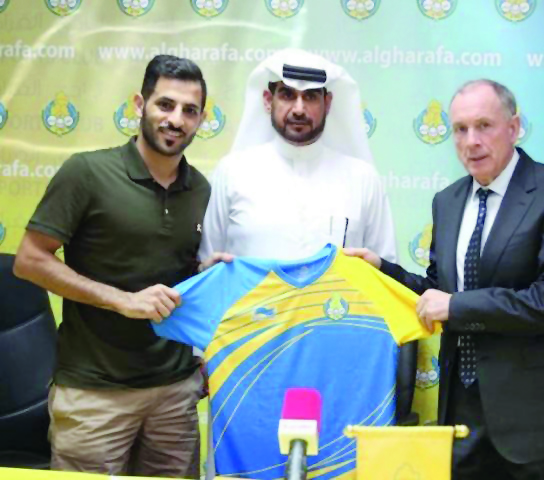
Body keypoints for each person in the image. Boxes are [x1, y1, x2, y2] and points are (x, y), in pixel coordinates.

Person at [346, 79, 544, 479]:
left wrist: (457, 306)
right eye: (460, 129)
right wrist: (383, 269)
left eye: (484, 126)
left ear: (513, 127)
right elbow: (439, 291)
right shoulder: (448, 201)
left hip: (534, 426)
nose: (471, 141)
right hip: (460, 417)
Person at [13, 55, 213, 478]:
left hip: (175, 393)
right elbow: (30, 261)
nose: (176, 119)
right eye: (165, 104)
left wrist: (209, 272)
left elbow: (175, 272)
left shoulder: (200, 189)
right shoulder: (87, 172)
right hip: (94, 393)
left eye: (189, 110)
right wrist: (122, 300)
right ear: (140, 104)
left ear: (201, 120)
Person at [199, 49, 397, 263]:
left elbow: (385, 269)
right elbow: (209, 265)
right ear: (268, 100)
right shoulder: (232, 172)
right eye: (287, 95)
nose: (299, 110)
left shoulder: (363, 179)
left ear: (328, 103)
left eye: (310, 97)